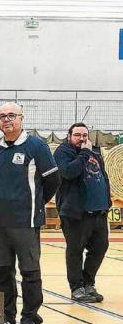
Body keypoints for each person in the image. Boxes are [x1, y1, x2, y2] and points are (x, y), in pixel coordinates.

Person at [0, 102, 60, 324]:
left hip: (26, 222)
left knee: (29, 272)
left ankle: (30, 320)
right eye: (2, 116)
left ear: (21, 118)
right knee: (1, 271)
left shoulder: (36, 146)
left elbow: (52, 180)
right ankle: (7, 317)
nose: (6, 120)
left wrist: (35, 204)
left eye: (11, 115)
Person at [54, 122, 111, 303]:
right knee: (75, 251)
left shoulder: (94, 153)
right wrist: (84, 153)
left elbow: (103, 176)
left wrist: (107, 203)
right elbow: (68, 172)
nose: (82, 138)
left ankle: (88, 283)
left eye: (85, 135)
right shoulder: (63, 153)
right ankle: (77, 288)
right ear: (69, 136)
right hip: (76, 214)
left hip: (98, 213)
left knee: (100, 248)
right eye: (77, 135)